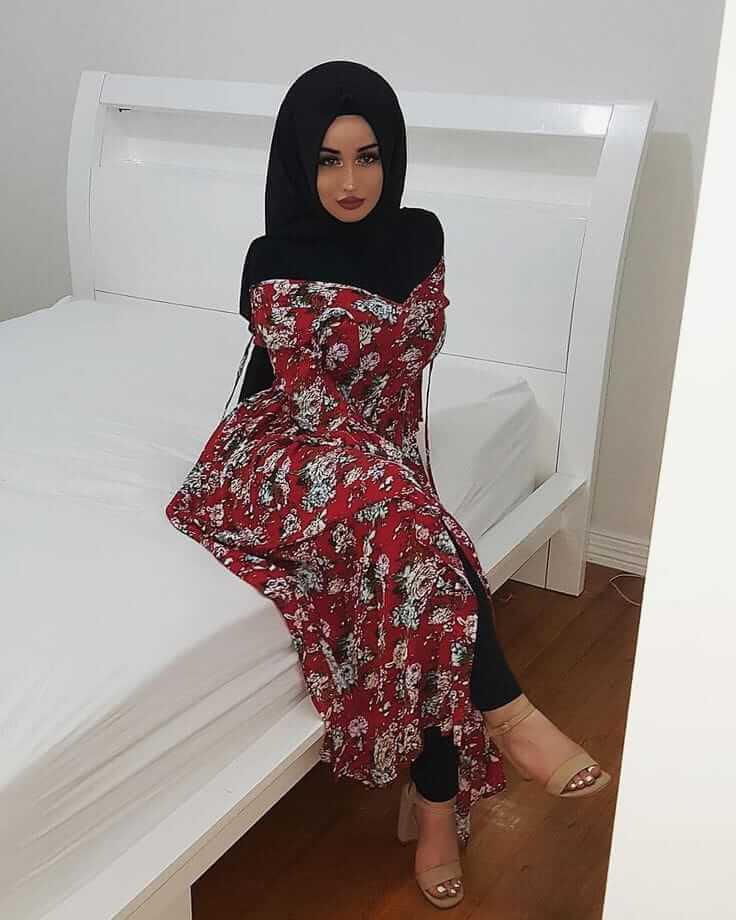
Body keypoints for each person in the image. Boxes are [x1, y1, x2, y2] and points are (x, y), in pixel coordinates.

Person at [166, 60, 611, 910]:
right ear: (298, 164)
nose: (349, 182)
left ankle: (437, 806)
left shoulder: (420, 238)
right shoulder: (275, 257)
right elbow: (309, 402)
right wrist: (395, 494)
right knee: (415, 536)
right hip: (277, 456)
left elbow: (405, 378)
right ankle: (507, 723)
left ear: (392, 156)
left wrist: (401, 486)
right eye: (327, 161)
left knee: (427, 568)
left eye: (367, 156)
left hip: (378, 453)